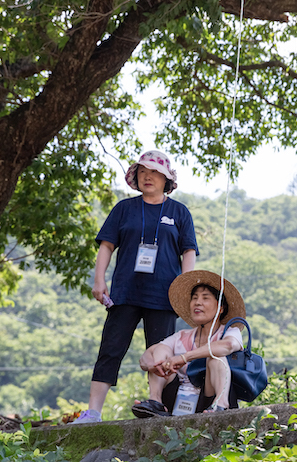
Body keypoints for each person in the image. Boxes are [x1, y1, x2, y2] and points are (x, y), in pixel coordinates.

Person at [72, 151, 198, 424]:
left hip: (165, 297)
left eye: (153, 172)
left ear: (166, 178)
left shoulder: (179, 212)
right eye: (142, 172)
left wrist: (186, 289)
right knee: (110, 349)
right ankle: (93, 413)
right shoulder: (123, 208)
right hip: (125, 292)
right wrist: (99, 279)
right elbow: (106, 245)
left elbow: (189, 251)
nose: (147, 176)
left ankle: (155, 403)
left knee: (161, 352)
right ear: (135, 177)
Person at [131, 270, 245, 417]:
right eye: (195, 298)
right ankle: (156, 402)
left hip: (208, 395)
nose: (198, 302)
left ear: (220, 308)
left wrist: (184, 357)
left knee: (216, 357)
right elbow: (148, 354)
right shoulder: (182, 336)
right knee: (160, 350)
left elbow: (228, 345)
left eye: (205, 298)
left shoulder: (230, 331)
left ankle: (221, 405)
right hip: (177, 396)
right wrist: (151, 365)